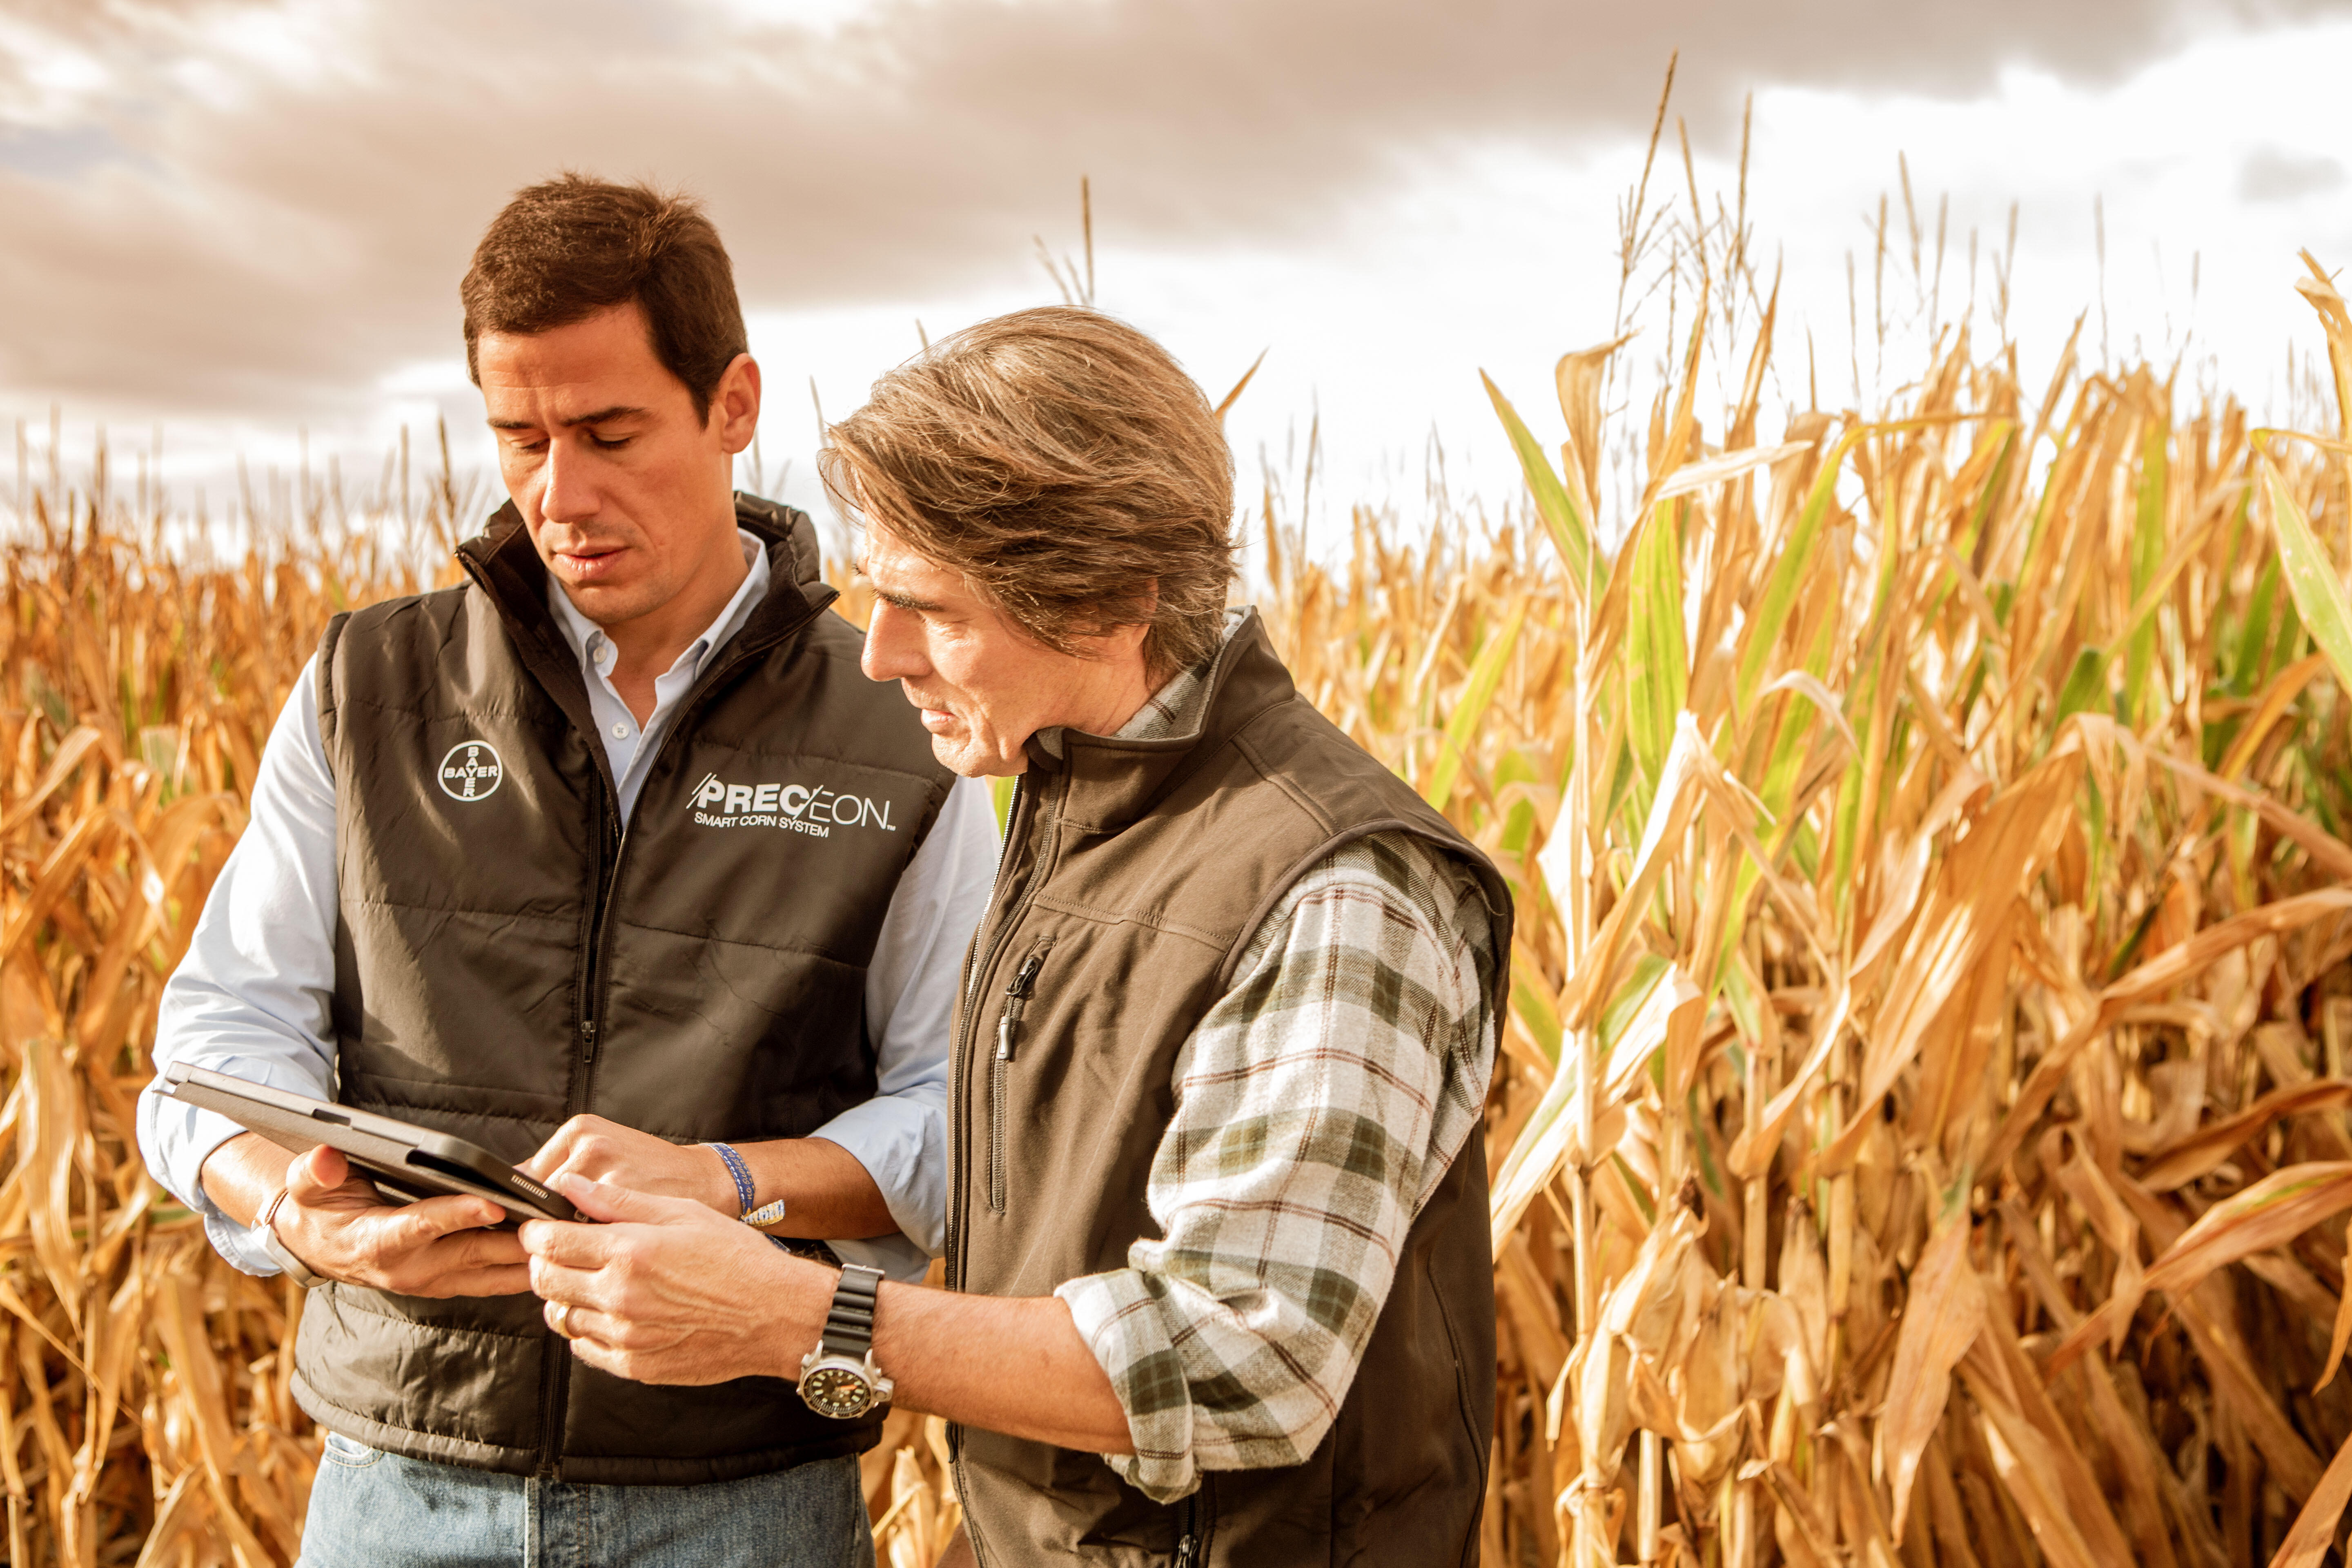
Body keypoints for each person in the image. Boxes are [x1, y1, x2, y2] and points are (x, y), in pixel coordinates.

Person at [518, 307, 1512, 1567]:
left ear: (1110, 600)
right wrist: (729, 1190)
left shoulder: (1338, 890)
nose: (877, 655)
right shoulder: (1067, 818)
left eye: (931, 609)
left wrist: (803, 1322)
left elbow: (1243, 1356)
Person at [133, 175, 998, 1567]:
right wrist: (296, 1210)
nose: (559, 494)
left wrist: (725, 1181)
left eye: (609, 433)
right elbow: (215, 1043)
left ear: (734, 404)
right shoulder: (371, 686)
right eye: (518, 437)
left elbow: (961, 1114)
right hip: (395, 1487)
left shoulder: (904, 713)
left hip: (745, 1496)